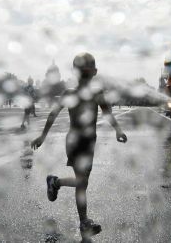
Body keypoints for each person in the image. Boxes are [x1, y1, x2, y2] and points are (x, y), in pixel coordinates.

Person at [31, 53, 127, 239]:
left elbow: (107, 113)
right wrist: (42, 136)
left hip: (90, 142)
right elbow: (53, 113)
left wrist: (118, 130)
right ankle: (84, 222)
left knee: (83, 183)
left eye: (86, 72)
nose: (84, 76)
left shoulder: (97, 93)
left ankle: (56, 182)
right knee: (82, 182)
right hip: (74, 142)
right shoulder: (69, 93)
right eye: (82, 72)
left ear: (93, 73)